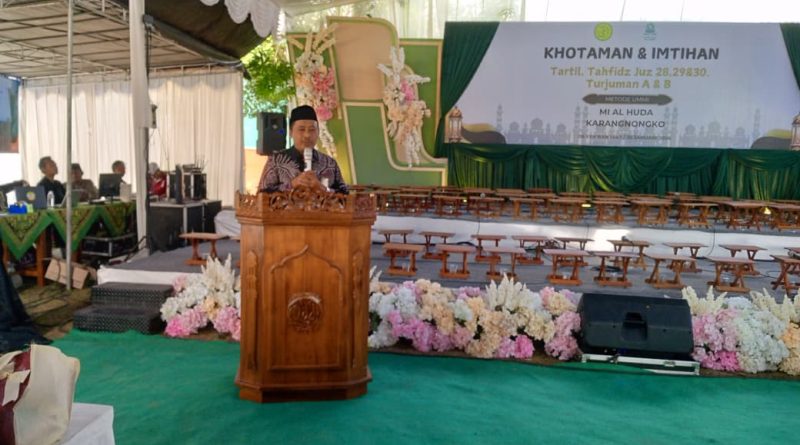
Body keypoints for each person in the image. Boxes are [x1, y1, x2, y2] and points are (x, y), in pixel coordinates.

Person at [258, 105, 348, 194]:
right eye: (301, 129)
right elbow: (262, 194)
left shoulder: (330, 163)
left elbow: (345, 195)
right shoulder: (276, 160)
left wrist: (321, 188)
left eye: (312, 130)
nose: (307, 135)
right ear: (291, 132)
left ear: (318, 132)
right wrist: (292, 185)